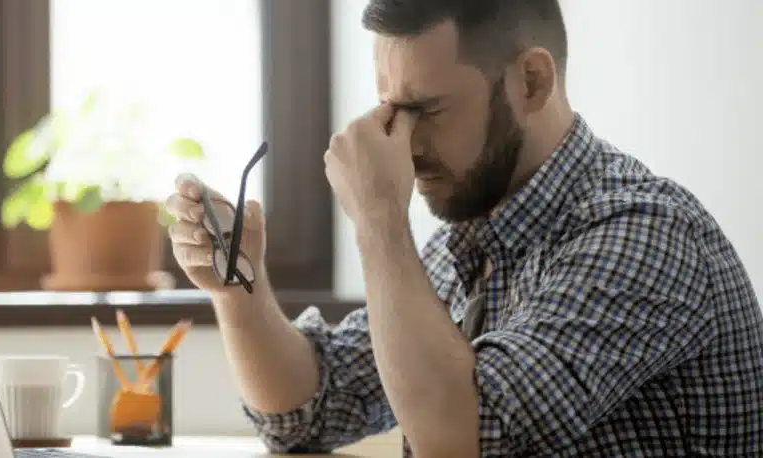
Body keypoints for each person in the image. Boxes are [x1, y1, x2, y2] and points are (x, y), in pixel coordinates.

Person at [164, 0, 763, 456]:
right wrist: (235, 287)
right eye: (391, 111)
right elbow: (307, 410)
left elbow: (461, 440)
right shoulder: (468, 241)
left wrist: (378, 220)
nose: (406, 144)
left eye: (426, 110)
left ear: (531, 82)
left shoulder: (644, 235)